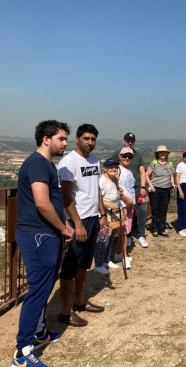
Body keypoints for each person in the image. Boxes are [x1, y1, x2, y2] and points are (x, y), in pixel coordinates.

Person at [12, 120, 74, 367]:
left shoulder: (45, 164)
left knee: (45, 287)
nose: (65, 143)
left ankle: (39, 334)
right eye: (61, 138)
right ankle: (22, 351)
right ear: (46, 139)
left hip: (45, 235)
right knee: (37, 292)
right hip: (38, 236)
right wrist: (63, 227)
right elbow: (41, 203)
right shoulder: (38, 164)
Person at [57, 123, 107, 327]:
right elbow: (66, 196)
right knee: (69, 267)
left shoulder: (94, 160)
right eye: (86, 138)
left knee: (84, 265)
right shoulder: (68, 163)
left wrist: (102, 214)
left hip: (93, 218)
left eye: (93, 139)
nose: (90, 143)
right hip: (77, 219)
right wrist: (77, 224)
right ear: (77, 139)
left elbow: (96, 190)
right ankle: (64, 312)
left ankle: (79, 302)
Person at [112, 133, 148, 248]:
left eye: (132, 140)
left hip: (138, 188)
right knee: (124, 213)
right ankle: (125, 236)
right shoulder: (117, 154)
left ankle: (141, 235)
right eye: (128, 140)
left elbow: (142, 172)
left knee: (142, 211)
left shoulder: (138, 155)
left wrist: (143, 187)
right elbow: (110, 168)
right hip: (123, 189)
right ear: (124, 141)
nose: (130, 142)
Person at [95, 158, 124, 275]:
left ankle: (106, 260)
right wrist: (109, 205)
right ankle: (98, 264)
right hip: (104, 213)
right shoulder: (102, 181)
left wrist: (119, 191)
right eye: (110, 167)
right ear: (105, 168)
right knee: (103, 239)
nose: (113, 169)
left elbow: (114, 192)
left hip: (113, 214)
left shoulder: (114, 179)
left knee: (111, 237)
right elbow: (97, 198)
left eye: (115, 167)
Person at [146, 145, 175, 237]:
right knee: (155, 211)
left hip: (166, 190)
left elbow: (171, 175)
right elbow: (146, 175)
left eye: (164, 152)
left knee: (163, 211)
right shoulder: (153, 163)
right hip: (155, 190)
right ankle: (155, 229)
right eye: (161, 152)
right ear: (157, 154)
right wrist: (151, 186)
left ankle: (162, 229)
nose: (163, 154)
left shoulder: (169, 164)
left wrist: (173, 183)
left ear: (166, 154)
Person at [116, 148, 136, 268]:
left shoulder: (128, 170)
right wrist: (125, 198)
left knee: (125, 231)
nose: (127, 158)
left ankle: (119, 253)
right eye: (124, 156)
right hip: (123, 204)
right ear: (120, 156)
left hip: (129, 204)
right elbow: (115, 187)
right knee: (123, 231)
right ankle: (124, 256)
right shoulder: (118, 169)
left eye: (130, 156)